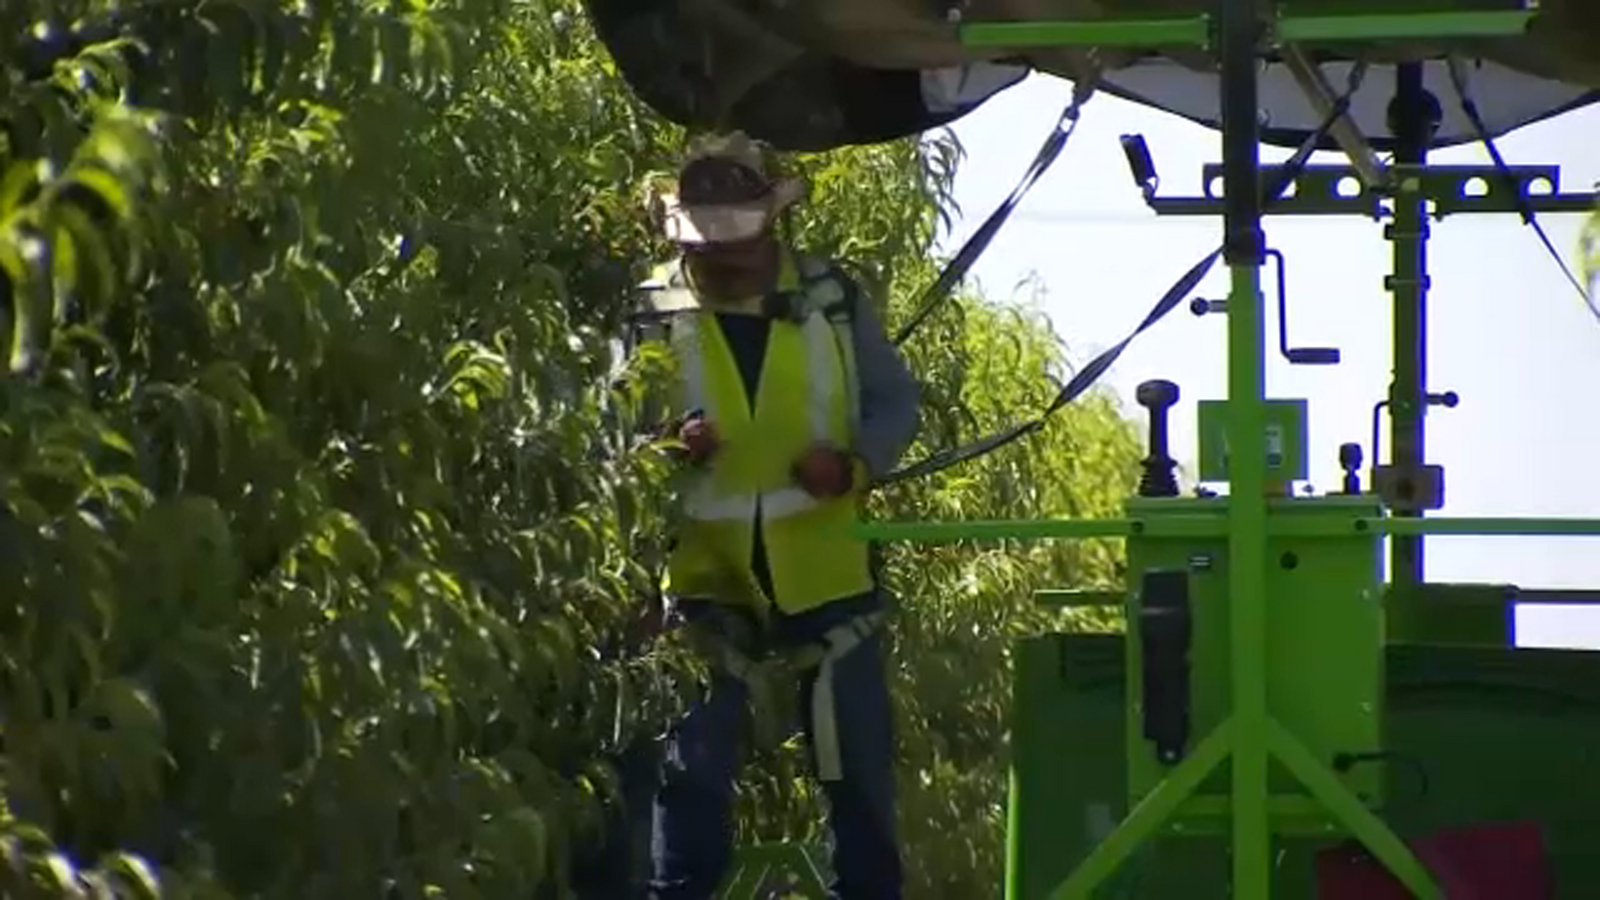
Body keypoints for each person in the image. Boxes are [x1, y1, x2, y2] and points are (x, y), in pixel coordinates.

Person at [627, 132, 921, 900]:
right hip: (699, 577)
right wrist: (661, 446)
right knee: (689, 778)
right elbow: (609, 427)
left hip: (826, 568)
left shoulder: (830, 299)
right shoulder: (653, 308)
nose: (725, 259)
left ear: (771, 224)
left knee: (856, 775)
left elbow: (893, 402)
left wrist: (855, 467)